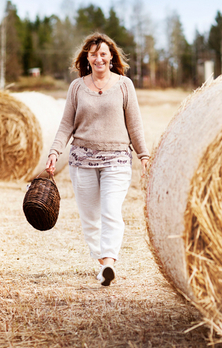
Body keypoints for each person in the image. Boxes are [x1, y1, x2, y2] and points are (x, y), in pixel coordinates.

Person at [45, 32, 150, 286]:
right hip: (82, 161)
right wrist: (54, 151)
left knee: (111, 211)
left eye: (103, 53)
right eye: (94, 54)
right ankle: (103, 265)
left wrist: (144, 155)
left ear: (111, 57)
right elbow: (65, 125)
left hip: (117, 160)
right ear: (87, 58)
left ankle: (109, 262)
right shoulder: (77, 87)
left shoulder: (125, 85)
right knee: (90, 218)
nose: (99, 58)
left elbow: (134, 125)